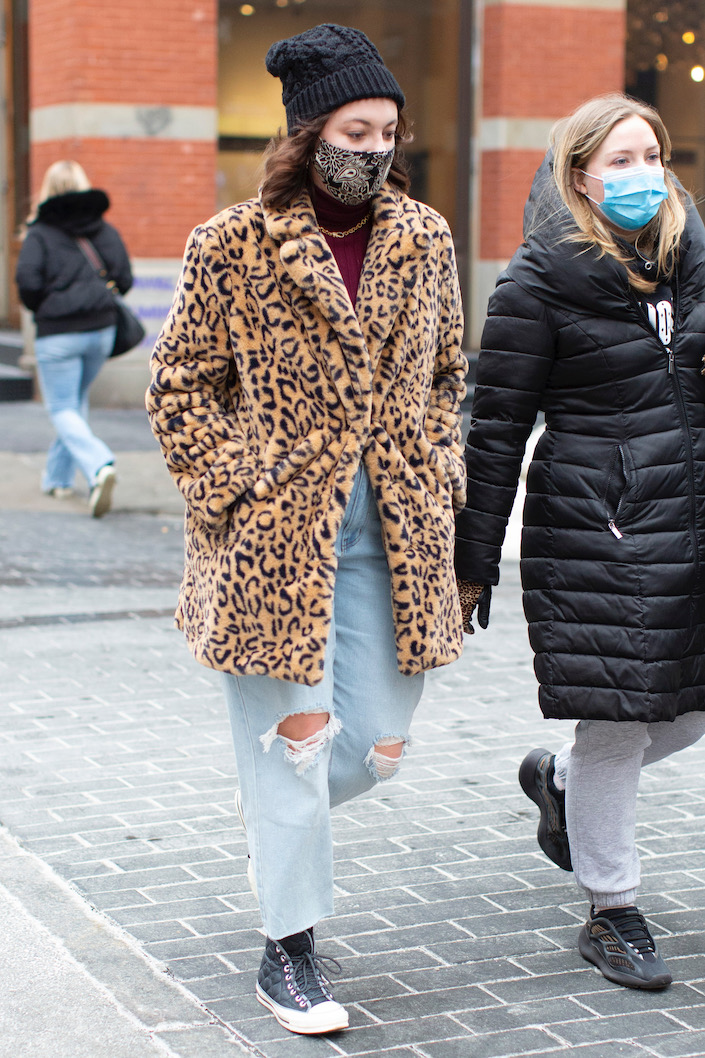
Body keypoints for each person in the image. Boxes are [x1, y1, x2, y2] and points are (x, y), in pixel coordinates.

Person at [147, 23, 467, 1036]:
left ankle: (276, 803)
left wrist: (441, 464)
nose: (373, 147)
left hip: (396, 535)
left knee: (371, 745)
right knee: (292, 743)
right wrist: (239, 484)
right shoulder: (229, 245)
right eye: (354, 128)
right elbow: (178, 386)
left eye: (387, 130)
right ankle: (289, 948)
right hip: (272, 547)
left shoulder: (424, 240)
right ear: (306, 132)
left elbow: (452, 372)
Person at [455, 93, 705, 991]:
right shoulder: (536, 282)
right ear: (579, 177)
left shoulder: (690, 264)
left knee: (684, 703)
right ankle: (612, 910)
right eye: (619, 162)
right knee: (616, 716)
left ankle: (560, 782)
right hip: (600, 528)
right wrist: (473, 561)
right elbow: (495, 427)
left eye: (652, 156)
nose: (641, 176)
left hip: (692, 512)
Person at [16, 160, 133, 517]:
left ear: (46, 190)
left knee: (62, 408)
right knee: (74, 402)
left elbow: (28, 285)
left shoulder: (39, 233)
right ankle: (57, 480)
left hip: (59, 335)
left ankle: (99, 466)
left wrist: (47, 307)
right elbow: (124, 278)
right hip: (100, 330)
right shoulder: (104, 230)